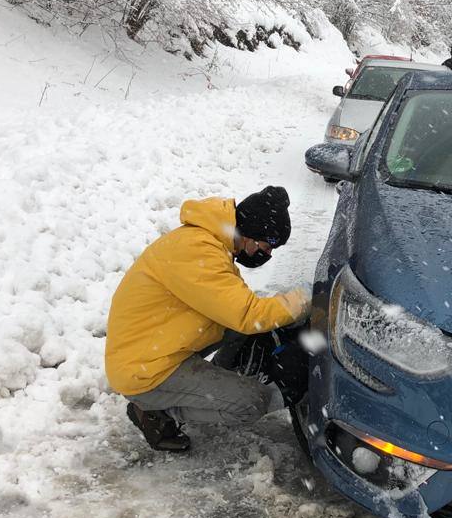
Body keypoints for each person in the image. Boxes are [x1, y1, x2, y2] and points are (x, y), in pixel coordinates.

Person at [105, 186, 311, 452]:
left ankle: (213, 385)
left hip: (156, 345)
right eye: (268, 245)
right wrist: (304, 299)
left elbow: (236, 310)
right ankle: (157, 412)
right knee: (251, 403)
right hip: (144, 370)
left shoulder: (207, 242)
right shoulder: (197, 252)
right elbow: (248, 314)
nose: (268, 254)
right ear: (251, 233)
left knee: (241, 328)